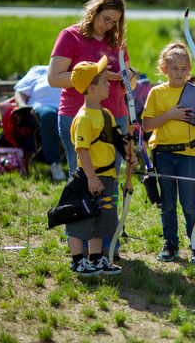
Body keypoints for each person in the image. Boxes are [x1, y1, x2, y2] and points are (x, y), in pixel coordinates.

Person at [48, 0, 137, 259]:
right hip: (79, 116)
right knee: (84, 181)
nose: (108, 25)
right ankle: (81, 248)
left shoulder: (117, 41)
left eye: (114, 22)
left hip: (115, 116)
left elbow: (130, 82)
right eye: (105, 18)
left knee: (109, 181)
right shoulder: (70, 35)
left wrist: (128, 76)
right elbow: (54, 78)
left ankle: (107, 246)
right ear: (94, 10)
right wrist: (96, 75)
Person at [142, 42, 195, 263]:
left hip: (187, 154)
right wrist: (171, 114)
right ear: (163, 69)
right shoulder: (156, 92)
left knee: (189, 202)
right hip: (163, 154)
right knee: (168, 203)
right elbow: (146, 125)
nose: (180, 73)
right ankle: (171, 244)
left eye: (184, 69)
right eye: (174, 68)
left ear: (189, 70)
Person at [67, 56, 136, 276]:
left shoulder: (105, 113)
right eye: (105, 81)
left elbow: (116, 138)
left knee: (102, 220)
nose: (109, 85)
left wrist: (127, 156)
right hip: (90, 178)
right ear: (91, 87)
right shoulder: (83, 118)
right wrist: (91, 178)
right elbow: (82, 151)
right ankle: (78, 261)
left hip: (107, 177)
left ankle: (96, 260)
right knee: (80, 220)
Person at [13, 65, 65, 181]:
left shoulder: (74, 70)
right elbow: (19, 92)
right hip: (40, 110)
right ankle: (54, 164)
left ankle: (84, 167)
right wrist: (23, 107)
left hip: (68, 110)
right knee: (49, 115)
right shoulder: (39, 70)